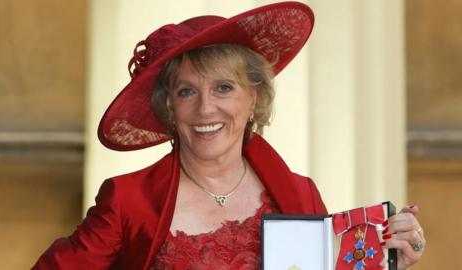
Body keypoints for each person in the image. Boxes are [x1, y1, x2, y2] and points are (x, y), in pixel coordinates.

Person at [33, 2, 425, 269]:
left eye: (223, 88)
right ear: (169, 107)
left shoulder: (300, 194)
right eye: (187, 91)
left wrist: (388, 256)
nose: (206, 109)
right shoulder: (127, 200)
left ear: (253, 98)